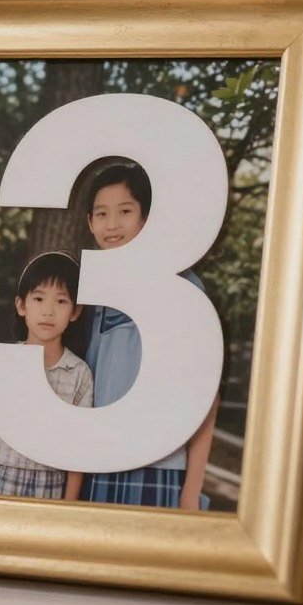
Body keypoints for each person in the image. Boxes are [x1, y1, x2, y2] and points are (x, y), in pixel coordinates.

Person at [81, 163, 217, 510]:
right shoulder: (90, 291)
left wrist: (191, 490)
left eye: (125, 211)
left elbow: (205, 396)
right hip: (97, 460)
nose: (112, 224)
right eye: (102, 213)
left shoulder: (181, 285)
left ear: (145, 219)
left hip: (159, 463)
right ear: (90, 222)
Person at [0, 251, 93, 500]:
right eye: (39, 298)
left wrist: (70, 503)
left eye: (61, 301)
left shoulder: (79, 373)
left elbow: (78, 442)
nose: (48, 311)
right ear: (22, 306)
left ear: (75, 311)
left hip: (50, 484)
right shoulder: (3, 364)